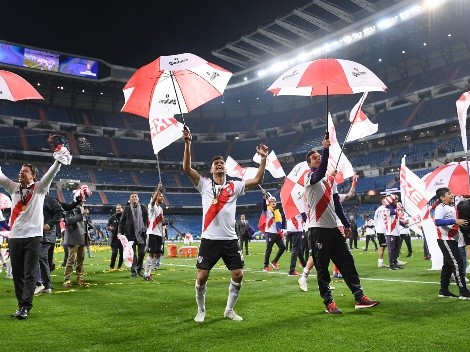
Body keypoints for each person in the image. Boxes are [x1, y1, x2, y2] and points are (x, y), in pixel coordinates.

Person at [182, 127, 267, 322]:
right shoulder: (203, 184)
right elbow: (186, 168)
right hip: (209, 239)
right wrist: (187, 143)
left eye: (221, 163)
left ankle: (229, 310)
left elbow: (257, 179)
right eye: (215, 164)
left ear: (225, 168)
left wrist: (263, 159)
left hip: (229, 239)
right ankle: (201, 310)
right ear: (211, 169)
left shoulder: (234, 186)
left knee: (238, 274)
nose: (219, 165)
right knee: (202, 276)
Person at [304, 137, 379, 314]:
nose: (318, 158)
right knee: (322, 268)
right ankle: (328, 302)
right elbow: (320, 173)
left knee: (347, 262)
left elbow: (337, 204)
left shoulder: (331, 182)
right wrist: (325, 149)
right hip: (318, 229)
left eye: (319, 156)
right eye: (314, 158)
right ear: (309, 164)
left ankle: (359, 296)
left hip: (333, 229)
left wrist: (345, 224)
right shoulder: (310, 178)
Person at [0, 145, 70, 319]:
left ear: (33, 175)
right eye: (20, 170)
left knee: (29, 272)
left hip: (33, 237)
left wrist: (58, 161)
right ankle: (20, 305)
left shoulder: (39, 188)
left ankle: (25, 306)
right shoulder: (13, 187)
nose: (20, 173)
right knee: (17, 273)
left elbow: (52, 174)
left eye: (24, 171)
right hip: (15, 236)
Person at [434, 187, 470, 299]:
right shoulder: (440, 207)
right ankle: (463, 292)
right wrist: (455, 221)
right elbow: (437, 221)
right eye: (449, 194)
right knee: (457, 264)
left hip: (452, 239)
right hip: (445, 239)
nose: (452, 195)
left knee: (448, 266)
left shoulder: (450, 207)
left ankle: (443, 290)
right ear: (442, 198)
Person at [63, 185, 92, 288]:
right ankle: (67, 280)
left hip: (82, 238)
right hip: (73, 237)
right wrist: (81, 215)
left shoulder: (82, 208)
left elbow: (85, 224)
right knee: (71, 259)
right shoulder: (70, 208)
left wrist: (88, 237)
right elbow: (68, 221)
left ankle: (80, 278)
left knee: (81, 259)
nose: (83, 201)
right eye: (82, 199)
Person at [35, 194, 63, 294]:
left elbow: (60, 212)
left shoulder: (49, 200)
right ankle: (45, 286)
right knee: (43, 259)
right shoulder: (34, 199)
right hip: (37, 234)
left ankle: (41, 284)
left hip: (47, 235)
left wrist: (50, 224)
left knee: (39, 256)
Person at [118, 193, 149, 278]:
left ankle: (139, 269)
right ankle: (134, 271)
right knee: (132, 254)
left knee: (142, 253)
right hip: (130, 235)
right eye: (132, 197)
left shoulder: (143, 208)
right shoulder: (127, 209)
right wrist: (119, 232)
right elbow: (122, 222)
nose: (134, 198)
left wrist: (146, 229)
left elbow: (147, 220)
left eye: (135, 196)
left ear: (138, 199)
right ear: (130, 199)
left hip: (141, 234)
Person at [143, 183, 165, 281]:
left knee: (158, 254)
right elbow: (152, 202)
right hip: (152, 233)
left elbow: (161, 222)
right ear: (155, 197)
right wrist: (158, 189)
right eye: (160, 196)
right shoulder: (151, 206)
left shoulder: (160, 209)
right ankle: (146, 274)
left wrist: (164, 221)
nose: (162, 198)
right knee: (151, 254)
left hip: (159, 234)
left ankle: (149, 271)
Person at [261, 193, 286, 272]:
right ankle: (265, 266)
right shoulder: (267, 210)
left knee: (283, 247)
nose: (274, 202)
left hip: (277, 233)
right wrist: (264, 197)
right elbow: (264, 206)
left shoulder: (277, 212)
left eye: (275, 201)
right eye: (272, 201)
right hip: (270, 232)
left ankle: (274, 261)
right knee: (269, 249)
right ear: (269, 202)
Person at [107, 204, 124, 271]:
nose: (118, 209)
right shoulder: (112, 217)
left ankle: (119, 267)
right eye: (117, 208)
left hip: (123, 239)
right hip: (114, 239)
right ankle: (112, 267)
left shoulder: (125, 217)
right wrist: (109, 227)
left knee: (122, 254)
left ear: (122, 209)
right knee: (114, 253)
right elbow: (107, 226)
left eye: (119, 208)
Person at [374, 196, 389, 268]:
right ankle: (381, 262)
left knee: (383, 246)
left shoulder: (378, 209)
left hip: (379, 230)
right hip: (383, 230)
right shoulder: (384, 209)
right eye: (385, 200)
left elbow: (375, 220)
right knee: (384, 247)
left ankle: (380, 262)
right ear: (382, 201)